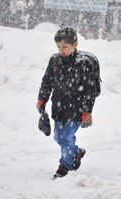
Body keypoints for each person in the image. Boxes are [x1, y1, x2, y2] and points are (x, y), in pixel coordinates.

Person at [36, 27, 100, 178]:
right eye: (58, 46)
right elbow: (47, 82)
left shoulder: (82, 63)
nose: (61, 50)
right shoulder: (55, 61)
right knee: (58, 137)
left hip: (76, 109)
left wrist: (86, 111)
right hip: (59, 107)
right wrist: (42, 99)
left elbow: (89, 91)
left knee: (66, 137)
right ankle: (75, 152)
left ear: (75, 45)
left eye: (65, 47)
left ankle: (65, 165)